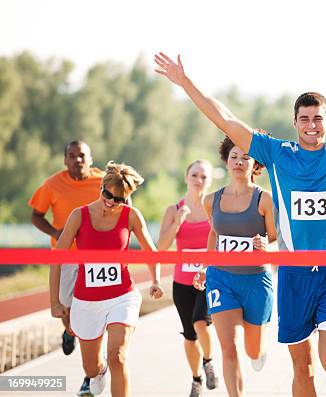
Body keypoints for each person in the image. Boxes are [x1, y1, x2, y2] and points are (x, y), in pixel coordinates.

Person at [155, 23, 326, 396]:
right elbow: (224, 118)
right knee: (302, 369)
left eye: (318, 118)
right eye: (304, 118)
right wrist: (186, 81)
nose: (311, 125)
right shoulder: (275, 154)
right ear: (295, 123)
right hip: (292, 274)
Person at [50, 161, 164, 397]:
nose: (111, 201)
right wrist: (55, 302)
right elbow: (57, 259)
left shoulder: (131, 216)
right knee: (91, 368)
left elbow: (150, 251)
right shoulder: (79, 216)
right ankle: (98, 372)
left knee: (118, 357)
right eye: (107, 194)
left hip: (122, 297)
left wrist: (156, 280)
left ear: (127, 198)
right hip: (86, 301)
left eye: (119, 199)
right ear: (101, 187)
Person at [192, 136, 276, 397]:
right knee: (228, 348)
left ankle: (259, 349)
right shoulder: (211, 200)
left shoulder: (265, 200)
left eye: (246, 157)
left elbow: (276, 238)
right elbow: (214, 234)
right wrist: (205, 265)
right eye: (234, 157)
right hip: (222, 279)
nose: (239, 162)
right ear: (226, 161)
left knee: (252, 350)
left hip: (256, 281)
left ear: (255, 164)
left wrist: (265, 243)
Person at [31, 140, 104, 396]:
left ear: (91, 158)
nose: (77, 160)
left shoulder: (104, 182)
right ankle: (69, 330)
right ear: (65, 160)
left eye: (82, 155)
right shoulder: (52, 184)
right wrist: (54, 232)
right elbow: (35, 214)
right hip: (64, 256)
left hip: (95, 258)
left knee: (90, 314)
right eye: (71, 156)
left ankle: (90, 373)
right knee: (63, 304)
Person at [157, 160, 219, 396]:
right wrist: (178, 222)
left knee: (200, 322)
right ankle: (196, 379)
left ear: (210, 181)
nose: (199, 180)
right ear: (186, 177)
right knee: (190, 335)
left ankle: (209, 361)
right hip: (182, 282)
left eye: (204, 177)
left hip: (208, 278)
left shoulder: (214, 207)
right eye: (194, 175)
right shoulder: (174, 210)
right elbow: (161, 247)